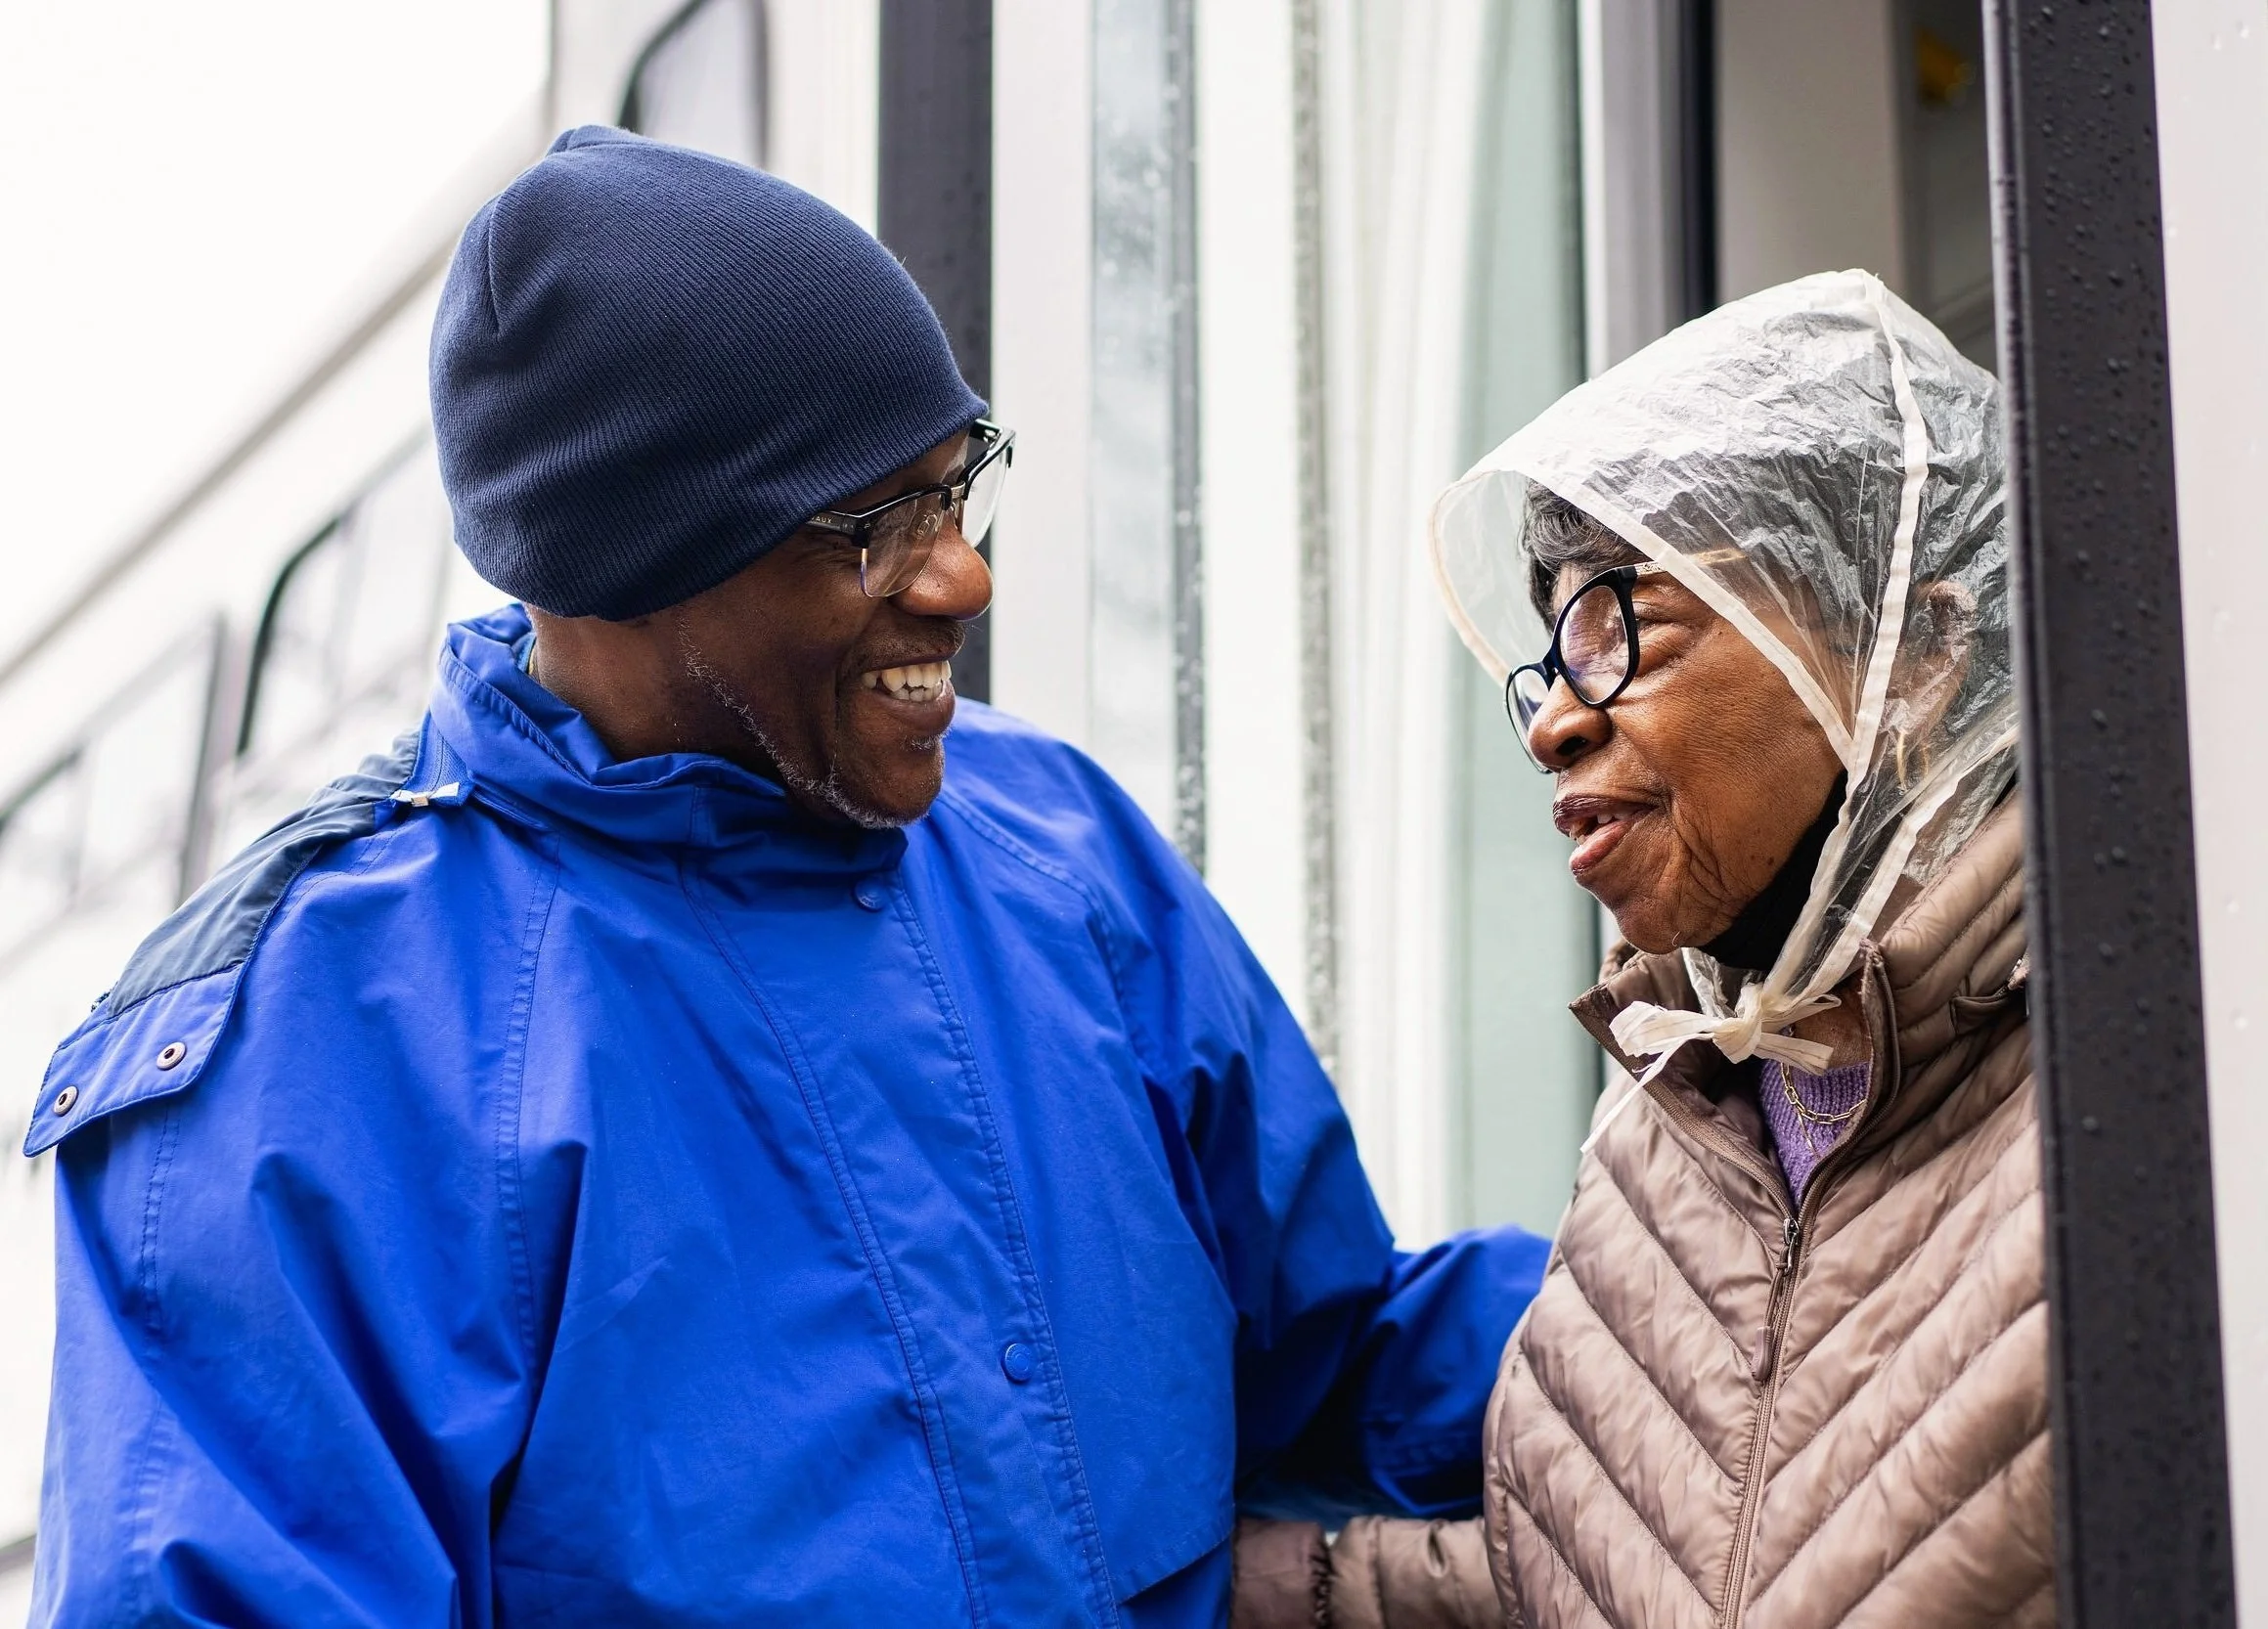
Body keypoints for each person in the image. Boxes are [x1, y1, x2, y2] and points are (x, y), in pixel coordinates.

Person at [23, 128, 1549, 1627]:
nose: (962, 578)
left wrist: (1745, 1302)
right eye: (874, 531)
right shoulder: (301, 1061)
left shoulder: (1055, 842)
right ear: (623, 570)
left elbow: (1341, 1364)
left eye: (961, 490)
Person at [1238, 272, 2043, 1627]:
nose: (1553, 719)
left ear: (1913, 654)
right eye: (1549, 655)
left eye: (1624, 629)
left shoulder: (2132, 1109)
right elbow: (1574, 1570)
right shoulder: (1663, 1116)